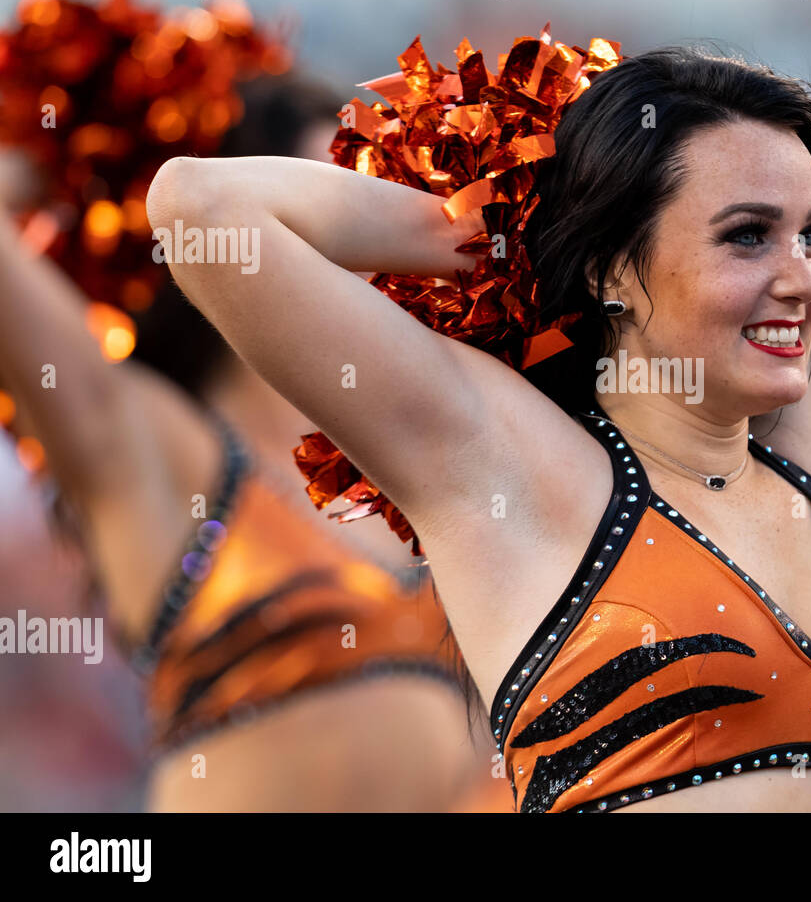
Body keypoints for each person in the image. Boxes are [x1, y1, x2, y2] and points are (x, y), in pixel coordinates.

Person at [148, 43, 811, 812]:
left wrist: (767, 226)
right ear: (610, 269)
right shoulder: (514, 467)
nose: (808, 283)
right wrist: (510, 233)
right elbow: (202, 207)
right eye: (747, 236)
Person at [0, 70, 498, 811]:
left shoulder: (436, 451)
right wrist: (37, 158)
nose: (369, 230)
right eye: (321, 202)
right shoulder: (151, 441)